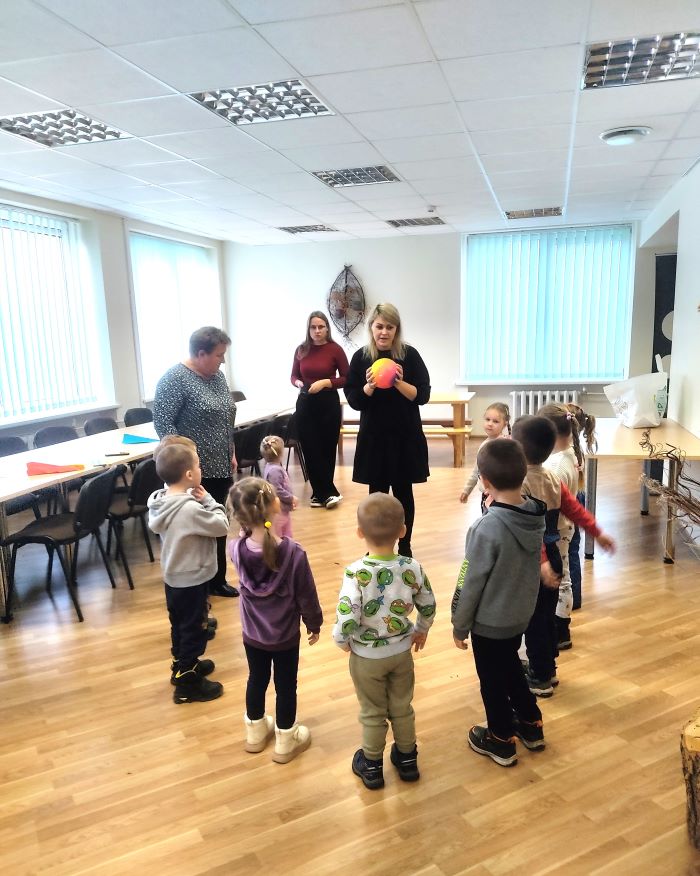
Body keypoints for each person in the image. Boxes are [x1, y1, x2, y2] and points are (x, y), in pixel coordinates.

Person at [452, 439, 547, 767]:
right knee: (510, 666)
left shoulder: (485, 527)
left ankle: (501, 738)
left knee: (492, 680)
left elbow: (468, 581)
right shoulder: (534, 514)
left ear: (484, 481)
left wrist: (459, 623)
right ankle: (531, 723)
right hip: (519, 615)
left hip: (489, 623)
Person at [332, 493, 436, 789]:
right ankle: (407, 760)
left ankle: (372, 765)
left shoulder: (356, 573)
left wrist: (341, 639)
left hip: (366, 658)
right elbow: (428, 603)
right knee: (402, 707)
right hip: (401, 652)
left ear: (359, 533)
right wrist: (422, 628)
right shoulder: (412, 567)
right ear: (403, 531)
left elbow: (348, 613)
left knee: (372, 712)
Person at [511, 416, 615, 698]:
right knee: (545, 618)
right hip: (554, 555)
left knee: (533, 622)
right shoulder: (551, 478)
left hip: (537, 560)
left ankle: (539, 678)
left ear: (518, 448)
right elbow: (575, 509)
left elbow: (532, 530)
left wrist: (542, 563)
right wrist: (598, 533)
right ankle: (549, 668)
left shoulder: (521, 484)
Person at [228, 477, 323, 763]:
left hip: (252, 634)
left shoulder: (235, 549)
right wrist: (314, 623)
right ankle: (285, 740)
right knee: (285, 686)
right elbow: (307, 595)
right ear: (274, 506)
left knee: (256, 679)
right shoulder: (294, 554)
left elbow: (249, 543)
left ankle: (255, 733)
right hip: (284, 637)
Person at [153, 326, 238, 598]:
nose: (222, 360)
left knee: (218, 519)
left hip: (220, 462)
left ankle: (217, 579)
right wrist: (184, 465)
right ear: (201, 354)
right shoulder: (174, 380)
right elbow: (164, 427)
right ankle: (199, 585)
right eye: (218, 355)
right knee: (196, 528)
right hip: (191, 471)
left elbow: (227, 416)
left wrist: (231, 450)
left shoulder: (217, 377)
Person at [344, 303, 431, 558]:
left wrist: (398, 382)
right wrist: (370, 385)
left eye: (389, 327)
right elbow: (355, 400)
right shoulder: (361, 357)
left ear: (396, 329)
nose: (384, 332)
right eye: (379, 326)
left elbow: (422, 396)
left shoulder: (409, 355)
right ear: (371, 327)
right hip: (375, 438)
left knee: (404, 493)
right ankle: (378, 546)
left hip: (405, 436)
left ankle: (405, 545)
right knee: (377, 496)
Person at [148, 441, 229, 704]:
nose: (201, 469)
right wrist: (208, 500)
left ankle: (182, 665)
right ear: (190, 475)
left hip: (174, 578)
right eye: (198, 465)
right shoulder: (190, 508)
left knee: (180, 624)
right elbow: (222, 525)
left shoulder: (161, 501)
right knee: (195, 628)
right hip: (192, 578)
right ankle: (187, 685)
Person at [291, 311, 349, 509]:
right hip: (305, 403)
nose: (317, 331)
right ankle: (325, 493)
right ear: (308, 329)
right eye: (313, 327)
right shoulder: (301, 350)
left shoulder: (335, 349)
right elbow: (293, 376)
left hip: (328, 403)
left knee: (327, 448)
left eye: (321, 327)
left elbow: (347, 378)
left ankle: (321, 493)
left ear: (327, 328)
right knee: (310, 448)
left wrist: (326, 382)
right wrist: (298, 383)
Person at [538, 402, 583, 650]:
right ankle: (560, 627)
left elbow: (548, 503)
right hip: (565, 526)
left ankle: (559, 629)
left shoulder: (554, 466)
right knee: (563, 575)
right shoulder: (571, 453)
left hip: (556, 529)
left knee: (560, 578)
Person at [565, 403, 598, 611]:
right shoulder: (576, 449)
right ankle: (574, 598)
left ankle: (571, 597)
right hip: (578, 497)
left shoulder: (566, 453)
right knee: (573, 549)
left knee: (569, 550)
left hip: (571, 501)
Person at [459, 402, 511, 504]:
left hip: (498, 495)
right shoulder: (484, 444)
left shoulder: (504, 445)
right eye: (487, 419)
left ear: (504, 424)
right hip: (486, 494)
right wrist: (467, 490)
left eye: (495, 421)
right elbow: (476, 470)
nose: (490, 424)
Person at [260, 435, 298, 538]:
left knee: (286, 532)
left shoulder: (271, 467)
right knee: (278, 534)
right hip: (278, 510)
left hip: (281, 508)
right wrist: (291, 498)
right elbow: (277, 490)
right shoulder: (275, 471)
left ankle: (287, 545)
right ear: (281, 453)